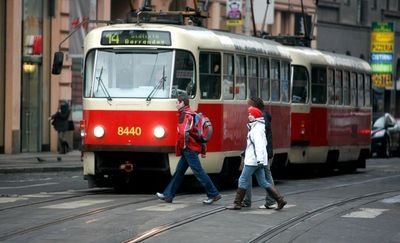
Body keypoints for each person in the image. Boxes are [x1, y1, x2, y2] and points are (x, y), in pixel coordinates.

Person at [156, 94, 221, 204]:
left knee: (198, 171)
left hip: (189, 148)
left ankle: (213, 194)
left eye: (177, 102)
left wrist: (183, 146)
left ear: (182, 103)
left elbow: (183, 132)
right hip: (192, 147)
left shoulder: (184, 115)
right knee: (179, 172)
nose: (176, 104)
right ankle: (168, 195)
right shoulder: (192, 113)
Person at [226, 106, 286, 210]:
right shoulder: (258, 127)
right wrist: (261, 161)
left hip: (253, 161)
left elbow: (259, 145)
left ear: (255, 116)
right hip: (259, 160)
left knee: (242, 179)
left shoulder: (256, 130)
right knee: (263, 182)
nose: (248, 116)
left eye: (250, 114)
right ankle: (280, 200)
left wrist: (259, 160)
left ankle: (237, 203)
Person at [242, 97, 277, 209]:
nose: (248, 108)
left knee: (260, 177)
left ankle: (270, 200)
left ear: (255, 106)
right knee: (263, 178)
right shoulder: (261, 116)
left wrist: (259, 157)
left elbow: (259, 138)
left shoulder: (261, 118)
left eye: (250, 105)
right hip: (260, 153)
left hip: (261, 154)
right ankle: (274, 200)